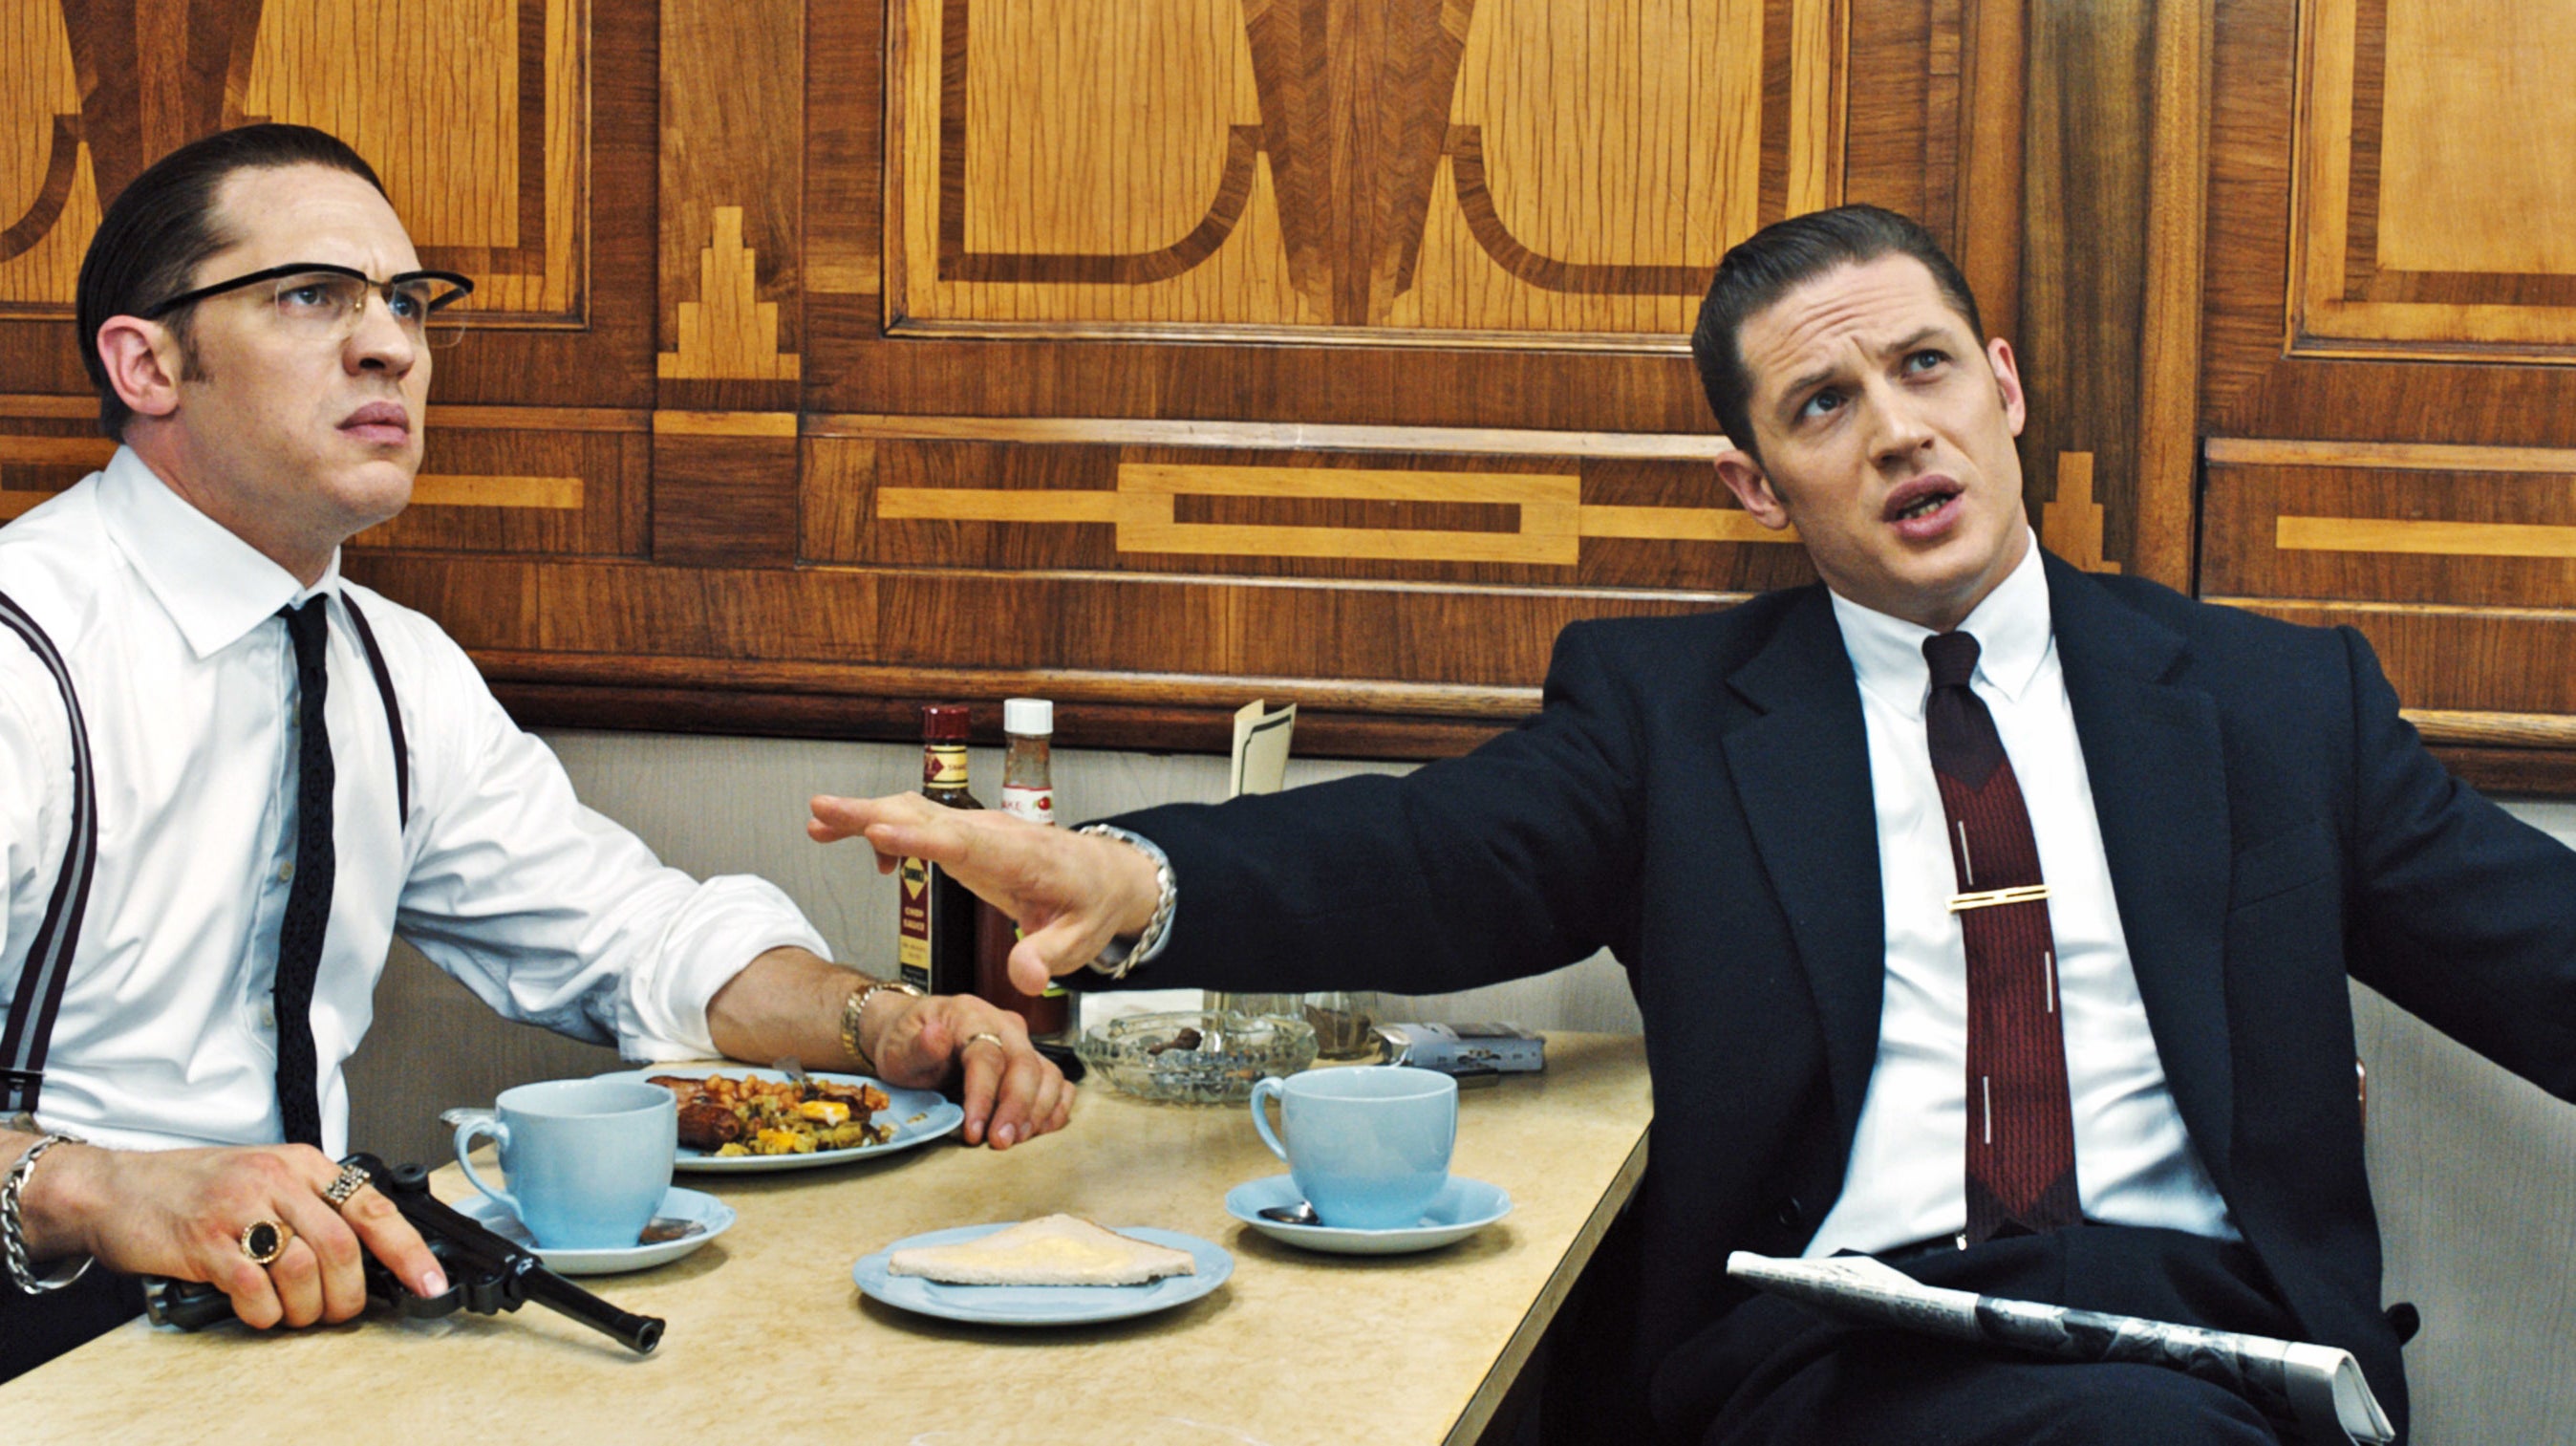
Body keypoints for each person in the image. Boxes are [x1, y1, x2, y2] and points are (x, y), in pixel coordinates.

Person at [809, 205, 2576, 1443]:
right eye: (1826, 402)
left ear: (2007, 389)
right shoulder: (1671, 717)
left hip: (2207, 1348)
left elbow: (2534, 950)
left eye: (1925, 368)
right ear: (1755, 477)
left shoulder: (2277, 704)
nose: (1897, 430)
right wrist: (1124, 874)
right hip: (1838, 1348)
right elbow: (1440, 856)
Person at [0, 124, 1072, 1380]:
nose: (393, 343)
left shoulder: (390, 664)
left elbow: (634, 940)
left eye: (407, 301)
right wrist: (93, 1189)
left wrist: (887, 1021)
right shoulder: (24, 651)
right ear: (148, 361)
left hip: (308, 1330)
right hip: (44, 1335)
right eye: (309, 295)